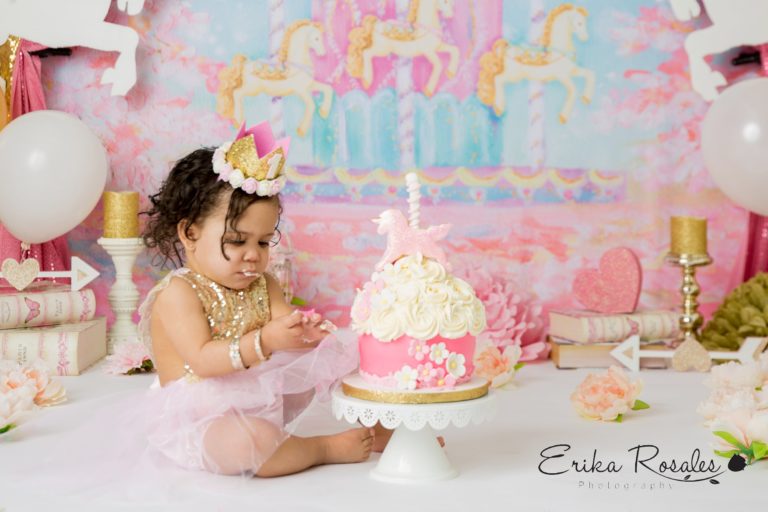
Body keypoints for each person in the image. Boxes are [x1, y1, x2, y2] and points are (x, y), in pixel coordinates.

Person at [139, 122, 373, 477]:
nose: (253, 254)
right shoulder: (179, 293)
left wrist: (306, 333)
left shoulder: (264, 284)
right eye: (237, 241)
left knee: (338, 357)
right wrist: (265, 341)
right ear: (190, 233)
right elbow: (202, 360)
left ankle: (379, 425)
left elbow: (286, 328)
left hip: (254, 398)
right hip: (200, 418)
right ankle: (320, 448)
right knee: (248, 443)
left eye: (263, 242)